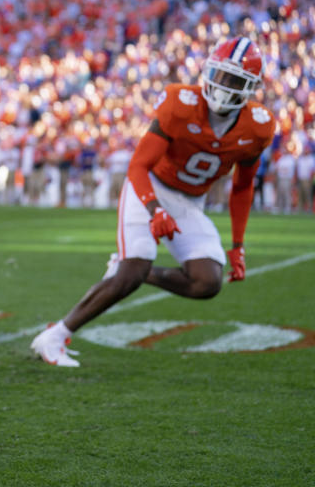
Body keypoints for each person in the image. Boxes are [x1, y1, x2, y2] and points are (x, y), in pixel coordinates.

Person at [31, 37, 275, 367]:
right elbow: (138, 165)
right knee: (135, 264)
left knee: (207, 282)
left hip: (190, 202)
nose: (222, 85)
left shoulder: (258, 127)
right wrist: (153, 208)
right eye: (219, 75)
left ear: (250, 88)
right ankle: (55, 336)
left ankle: (135, 272)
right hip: (149, 186)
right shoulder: (180, 102)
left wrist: (238, 243)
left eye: (234, 80)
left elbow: (243, 188)